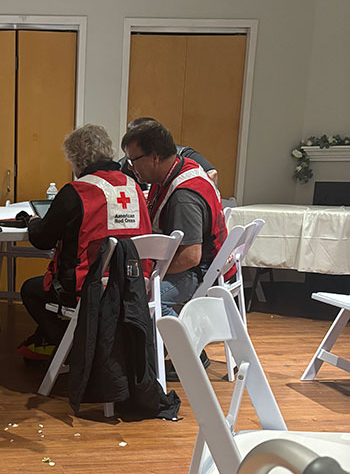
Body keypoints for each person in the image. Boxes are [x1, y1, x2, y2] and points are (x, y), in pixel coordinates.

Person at [17, 123, 152, 360]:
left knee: (30, 290)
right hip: (132, 285)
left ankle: (68, 348)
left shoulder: (77, 191)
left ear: (76, 159)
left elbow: (42, 240)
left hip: (88, 288)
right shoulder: (134, 188)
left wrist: (33, 222)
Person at [121, 119, 228, 321]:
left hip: (196, 272)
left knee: (136, 297)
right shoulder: (180, 167)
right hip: (195, 266)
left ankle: (186, 347)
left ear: (154, 158)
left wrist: (148, 274)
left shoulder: (183, 198)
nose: (130, 167)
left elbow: (190, 257)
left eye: (133, 160)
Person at [119, 116, 218, 187]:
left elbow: (212, 174)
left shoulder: (183, 153)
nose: (130, 166)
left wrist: (187, 189)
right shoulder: (126, 165)